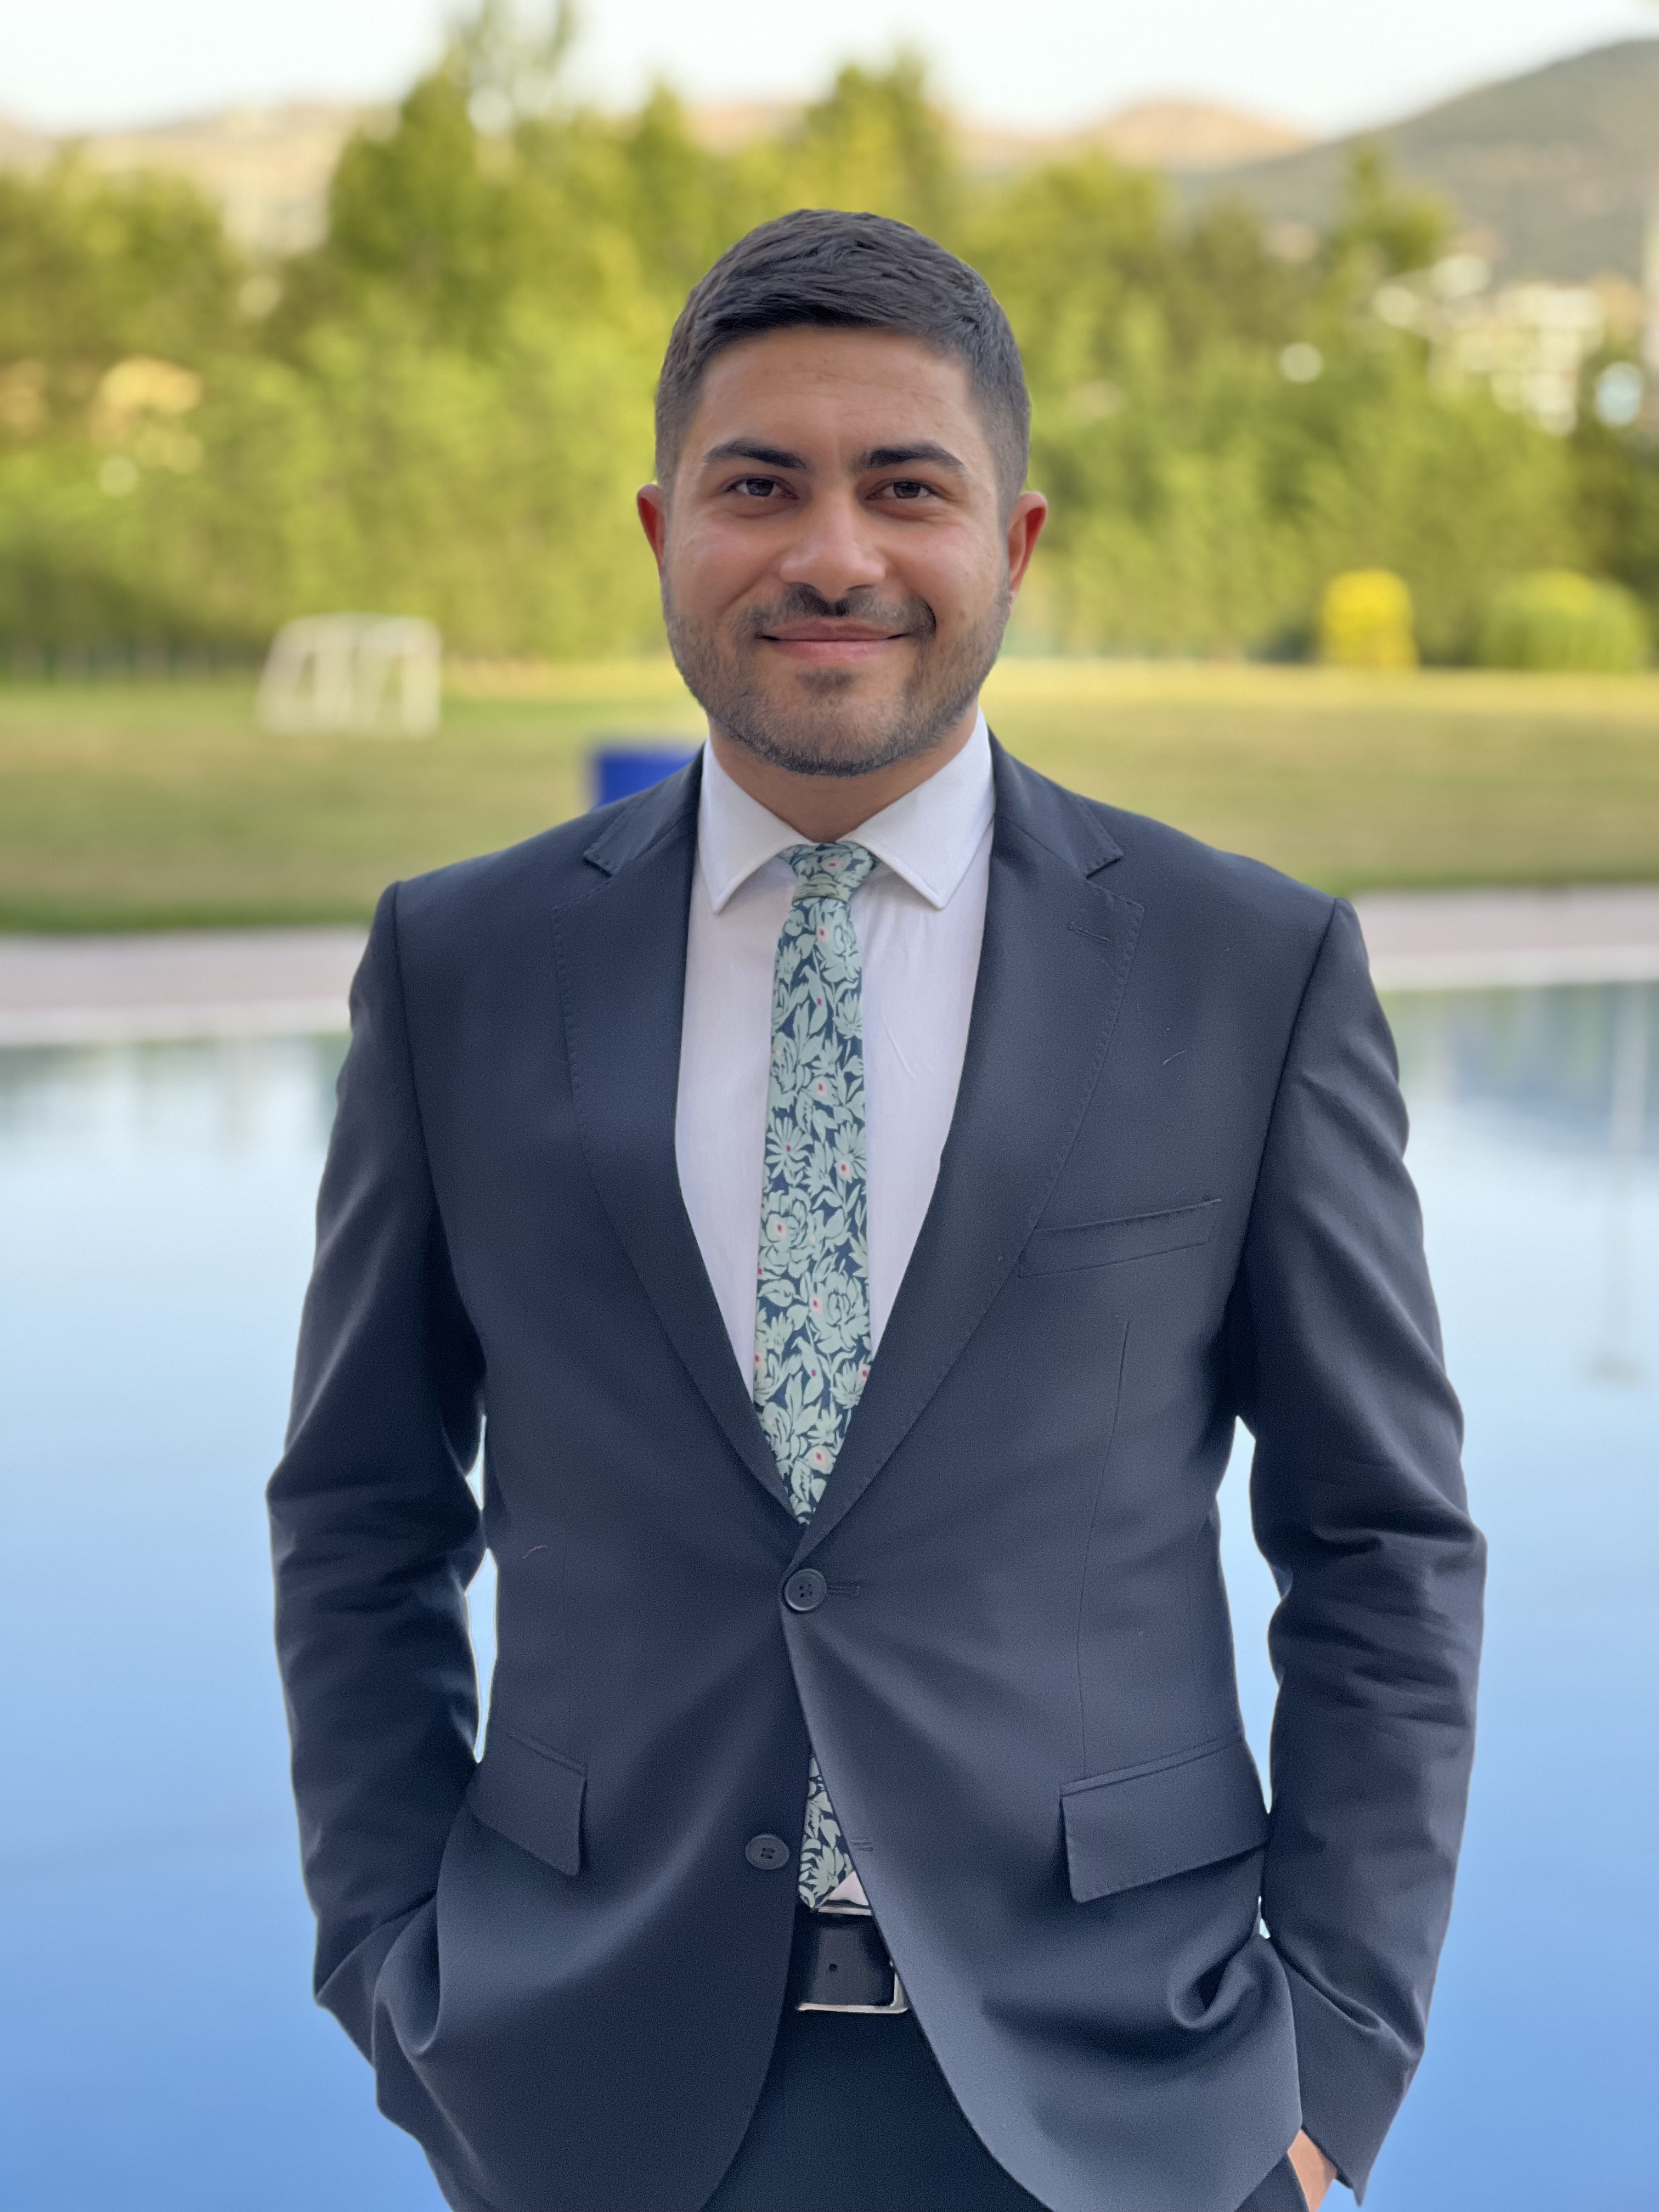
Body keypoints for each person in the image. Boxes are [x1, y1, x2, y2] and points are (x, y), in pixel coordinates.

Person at [269, 208, 1485, 2212]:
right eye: (760, 487)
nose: (833, 554)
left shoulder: (1245, 970)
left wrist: (1331, 2070)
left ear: (1013, 543)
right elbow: (361, 1512)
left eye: (906, 488)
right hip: (589, 2088)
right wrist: (403, 1984)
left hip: (1132, 2105)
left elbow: (1382, 1546)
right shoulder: (460, 967)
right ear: (663, 531)